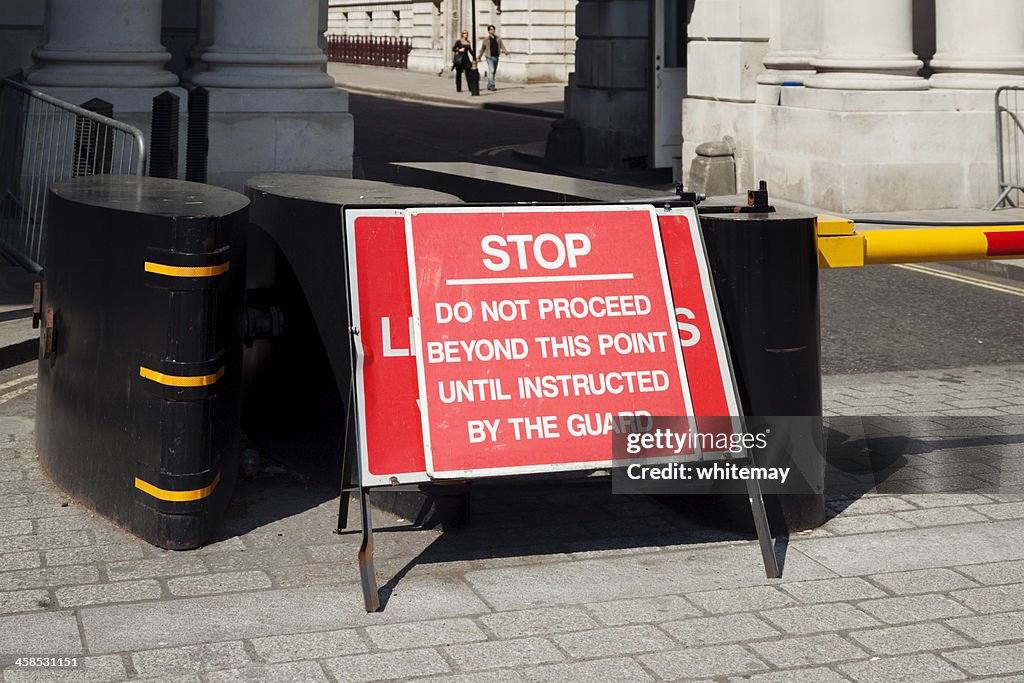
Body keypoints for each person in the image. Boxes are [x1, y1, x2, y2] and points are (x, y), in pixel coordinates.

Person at [478, 25, 507, 91]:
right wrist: (479, 57)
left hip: (496, 56)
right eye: (491, 29)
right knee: (492, 70)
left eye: (493, 29)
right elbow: (482, 48)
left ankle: (489, 85)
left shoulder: (498, 38)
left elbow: (502, 46)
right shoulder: (486, 39)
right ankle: (491, 85)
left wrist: (506, 52)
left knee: (493, 72)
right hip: (489, 57)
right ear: (488, 31)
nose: (492, 31)